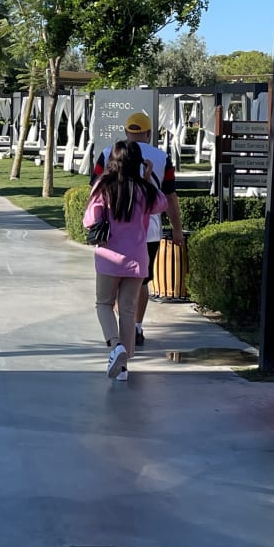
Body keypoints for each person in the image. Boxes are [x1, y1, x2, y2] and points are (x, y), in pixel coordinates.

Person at [91, 111, 184, 345]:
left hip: (111, 239)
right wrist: (177, 229)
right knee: (140, 284)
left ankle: (116, 340)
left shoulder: (107, 153)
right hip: (147, 234)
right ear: (149, 133)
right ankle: (136, 327)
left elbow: (94, 189)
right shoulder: (162, 157)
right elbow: (169, 197)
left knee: (108, 293)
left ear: (126, 132)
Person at [83, 140, 167, 381]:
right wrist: (148, 178)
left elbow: (90, 220)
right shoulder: (144, 189)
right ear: (138, 163)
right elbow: (161, 204)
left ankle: (115, 346)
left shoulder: (104, 186)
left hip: (109, 257)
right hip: (137, 258)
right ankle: (123, 367)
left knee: (104, 304)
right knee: (128, 311)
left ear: (113, 161)